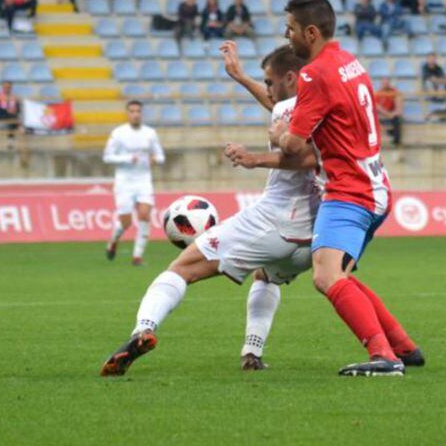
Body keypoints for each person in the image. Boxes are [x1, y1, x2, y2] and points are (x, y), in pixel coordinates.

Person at [100, 44, 320, 376]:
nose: (269, 90)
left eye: (269, 81)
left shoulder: (287, 109)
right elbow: (280, 107)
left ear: (290, 78)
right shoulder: (320, 105)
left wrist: (253, 158)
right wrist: (242, 78)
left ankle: (142, 330)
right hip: (313, 233)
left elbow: (292, 134)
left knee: (181, 268)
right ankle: (252, 353)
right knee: (266, 275)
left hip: (274, 219)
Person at [273, 0, 422, 376]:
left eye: (290, 29)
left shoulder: (313, 73)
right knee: (341, 275)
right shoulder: (349, 62)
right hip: (377, 187)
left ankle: (383, 357)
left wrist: (277, 134)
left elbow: (294, 144)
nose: (286, 35)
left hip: (348, 191)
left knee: (326, 276)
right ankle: (402, 346)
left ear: (310, 32)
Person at [103, 101, 165, 267]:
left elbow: (160, 156)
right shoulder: (118, 133)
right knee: (126, 222)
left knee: (144, 215)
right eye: (132, 111)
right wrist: (127, 158)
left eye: (138, 111)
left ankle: (137, 256)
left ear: (141, 113)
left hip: (144, 180)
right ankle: (113, 240)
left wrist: (155, 159)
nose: (135, 114)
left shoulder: (150, 133)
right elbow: (107, 156)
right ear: (127, 113)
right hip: (124, 181)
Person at [374, 78, 403, 147]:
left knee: (397, 119)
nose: (385, 85)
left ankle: (396, 141)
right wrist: (387, 114)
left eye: (387, 83)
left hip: (391, 114)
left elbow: (399, 107)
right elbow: (377, 107)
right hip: (382, 114)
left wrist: (393, 113)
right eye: (384, 83)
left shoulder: (393, 92)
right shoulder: (378, 93)